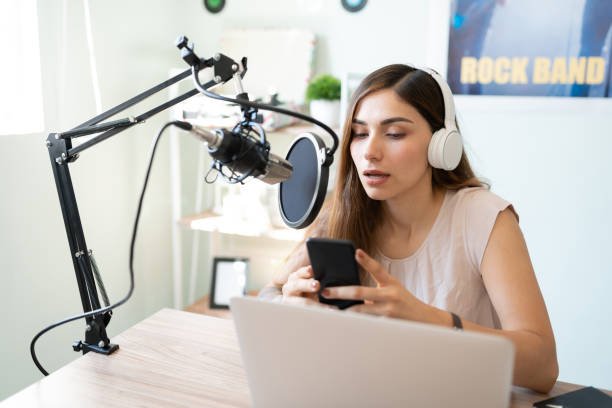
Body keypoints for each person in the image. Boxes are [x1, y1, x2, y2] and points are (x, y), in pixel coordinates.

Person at [259, 64, 558, 393]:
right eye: (359, 134)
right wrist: (288, 306)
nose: (370, 152)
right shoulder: (341, 215)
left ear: (441, 145)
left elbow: (543, 366)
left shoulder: (484, 218)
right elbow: (269, 292)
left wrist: (431, 320)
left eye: (394, 134)